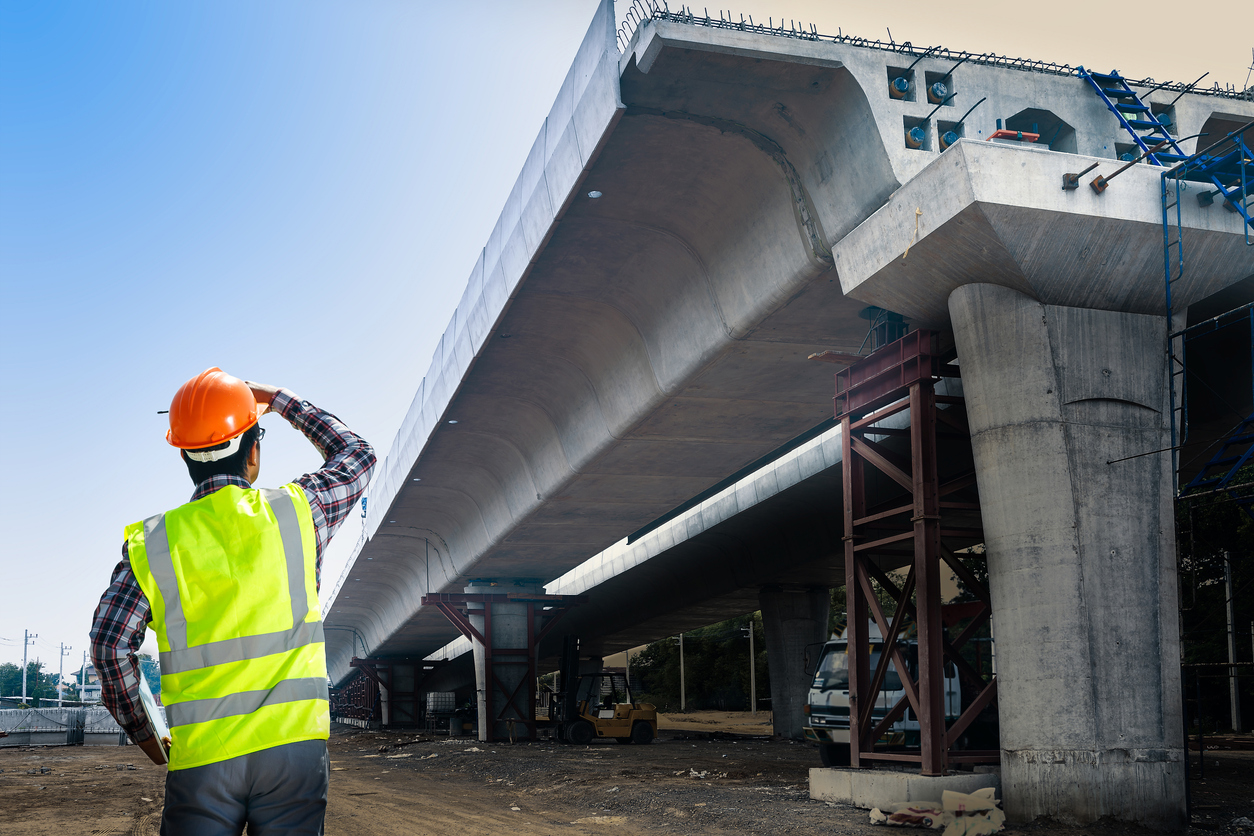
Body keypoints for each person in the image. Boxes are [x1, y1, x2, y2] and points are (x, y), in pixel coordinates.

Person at [90, 367, 376, 835]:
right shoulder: (298, 513)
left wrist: (146, 735)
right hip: (295, 752)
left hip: (203, 757)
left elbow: (108, 645)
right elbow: (357, 455)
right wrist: (283, 400)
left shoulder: (154, 543)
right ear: (254, 451)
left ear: (184, 453)